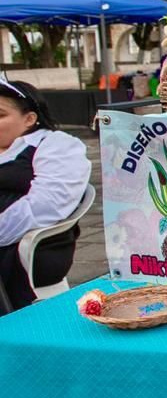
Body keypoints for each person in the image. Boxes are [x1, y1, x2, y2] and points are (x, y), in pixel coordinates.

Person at [0, 79, 92, 311]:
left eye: (0, 115)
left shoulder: (55, 145)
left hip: (26, 247)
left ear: (29, 119)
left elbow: (48, 203)